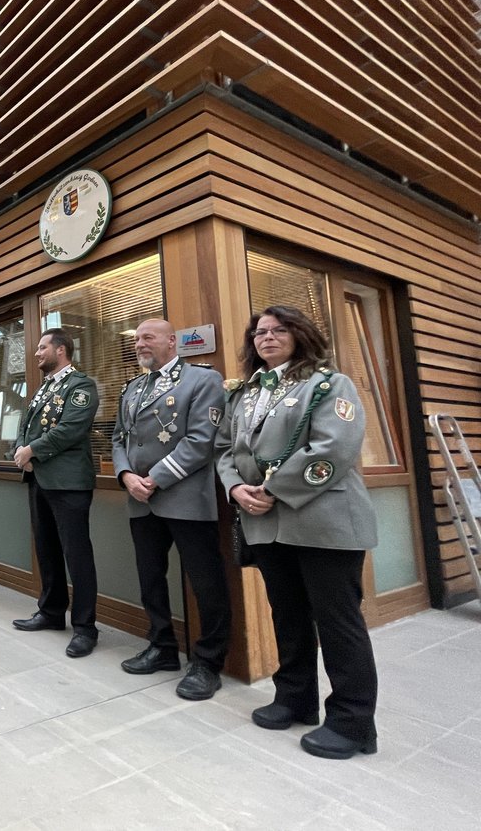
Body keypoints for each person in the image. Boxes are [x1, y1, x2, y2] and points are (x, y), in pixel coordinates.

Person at [216, 305, 380, 760]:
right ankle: (294, 698)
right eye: (259, 332)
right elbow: (225, 449)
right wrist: (236, 489)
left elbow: (334, 448)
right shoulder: (244, 393)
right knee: (287, 616)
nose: (266, 337)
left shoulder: (328, 384)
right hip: (265, 523)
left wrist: (272, 489)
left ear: (300, 334)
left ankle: (352, 723)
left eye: (278, 330)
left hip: (323, 521)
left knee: (338, 623)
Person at [112, 319, 231, 701]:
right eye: (137, 339)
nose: (140, 344)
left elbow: (201, 441)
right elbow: (118, 438)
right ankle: (162, 646)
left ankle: (208, 663)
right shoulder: (133, 387)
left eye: (148, 337)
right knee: (150, 578)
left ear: (171, 341)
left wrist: (155, 479)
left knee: (206, 582)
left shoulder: (202, 380)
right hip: (140, 499)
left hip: (185, 498)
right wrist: (126, 475)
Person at [11, 329, 101, 658]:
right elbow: (25, 426)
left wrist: (32, 450)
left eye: (42, 347)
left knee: (76, 555)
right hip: (39, 479)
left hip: (68, 483)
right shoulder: (44, 388)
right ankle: (51, 612)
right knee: (46, 549)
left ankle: (85, 628)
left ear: (60, 350)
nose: (36, 353)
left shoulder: (81, 385)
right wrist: (21, 452)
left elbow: (71, 429)